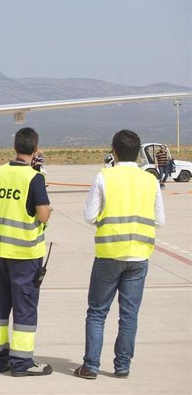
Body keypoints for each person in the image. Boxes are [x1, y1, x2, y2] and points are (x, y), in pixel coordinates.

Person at [73, 129, 164, 380]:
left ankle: (90, 366)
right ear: (137, 153)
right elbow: (161, 219)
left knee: (97, 312)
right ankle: (122, 366)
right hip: (138, 256)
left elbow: (90, 215)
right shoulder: (150, 180)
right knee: (129, 315)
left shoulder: (104, 176)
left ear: (113, 151)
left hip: (109, 254)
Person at [0, 127, 53, 377]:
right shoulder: (35, 178)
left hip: (1, 251)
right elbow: (43, 213)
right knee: (24, 308)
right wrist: (47, 213)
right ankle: (22, 363)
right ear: (35, 150)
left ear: (15, 147)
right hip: (26, 253)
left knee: (1, 306)